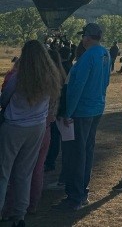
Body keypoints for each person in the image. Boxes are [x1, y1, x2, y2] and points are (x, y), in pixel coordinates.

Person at [0, 40, 62, 227]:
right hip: (37, 127)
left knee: (3, 171)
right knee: (25, 172)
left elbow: (4, 99)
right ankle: (20, 214)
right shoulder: (50, 77)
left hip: (14, 127)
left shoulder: (18, 77)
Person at [53, 23, 110, 212]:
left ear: (87, 36)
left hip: (81, 111)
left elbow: (77, 86)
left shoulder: (87, 57)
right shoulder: (105, 54)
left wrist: (69, 112)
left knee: (76, 153)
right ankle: (82, 192)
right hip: (96, 108)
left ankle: (75, 196)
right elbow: (106, 81)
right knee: (87, 151)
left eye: (83, 36)